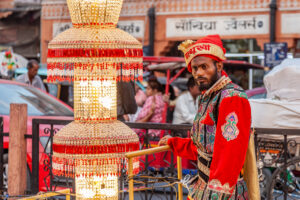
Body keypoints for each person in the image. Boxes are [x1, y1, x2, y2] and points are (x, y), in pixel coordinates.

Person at [159, 35, 259, 200]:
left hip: (222, 192)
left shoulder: (232, 97)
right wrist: (173, 142)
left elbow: (229, 154)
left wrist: (216, 193)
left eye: (204, 67)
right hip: (203, 184)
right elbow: (203, 147)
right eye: (195, 68)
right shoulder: (208, 96)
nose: (198, 73)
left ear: (218, 65)